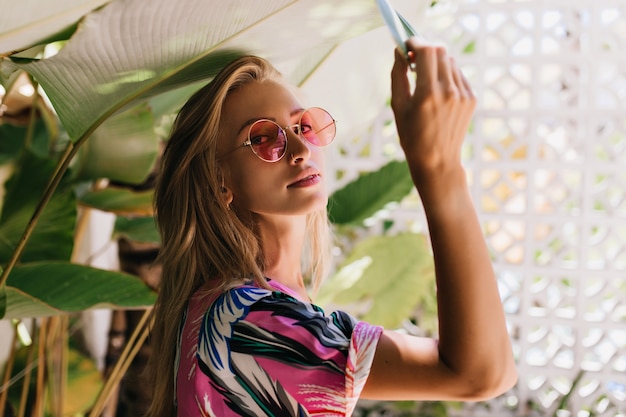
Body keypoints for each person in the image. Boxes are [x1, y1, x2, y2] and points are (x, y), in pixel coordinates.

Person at [146, 38, 518, 417]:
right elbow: (481, 374)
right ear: (219, 181)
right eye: (262, 138)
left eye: (302, 126)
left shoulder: (241, 305)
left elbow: (483, 372)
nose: (299, 148)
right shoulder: (250, 321)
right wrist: (440, 171)